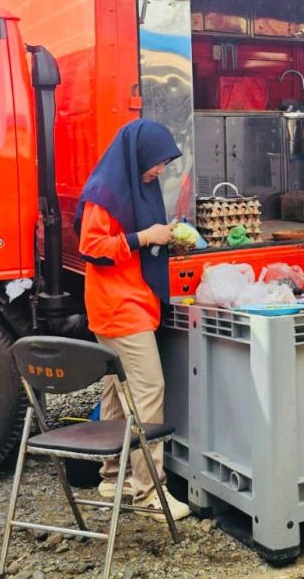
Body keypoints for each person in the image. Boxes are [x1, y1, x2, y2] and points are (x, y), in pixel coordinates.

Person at [74, 119, 190, 520]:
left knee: (115, 390)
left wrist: (162, 237)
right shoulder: (104, 194)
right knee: (147, 390)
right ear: (137, 155)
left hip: (123, 303)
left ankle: (113, 477)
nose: (160, 170)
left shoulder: (131, 185)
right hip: (121, 307)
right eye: (157, 162)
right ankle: (149, 492)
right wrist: (145, 238)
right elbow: (91, 246)